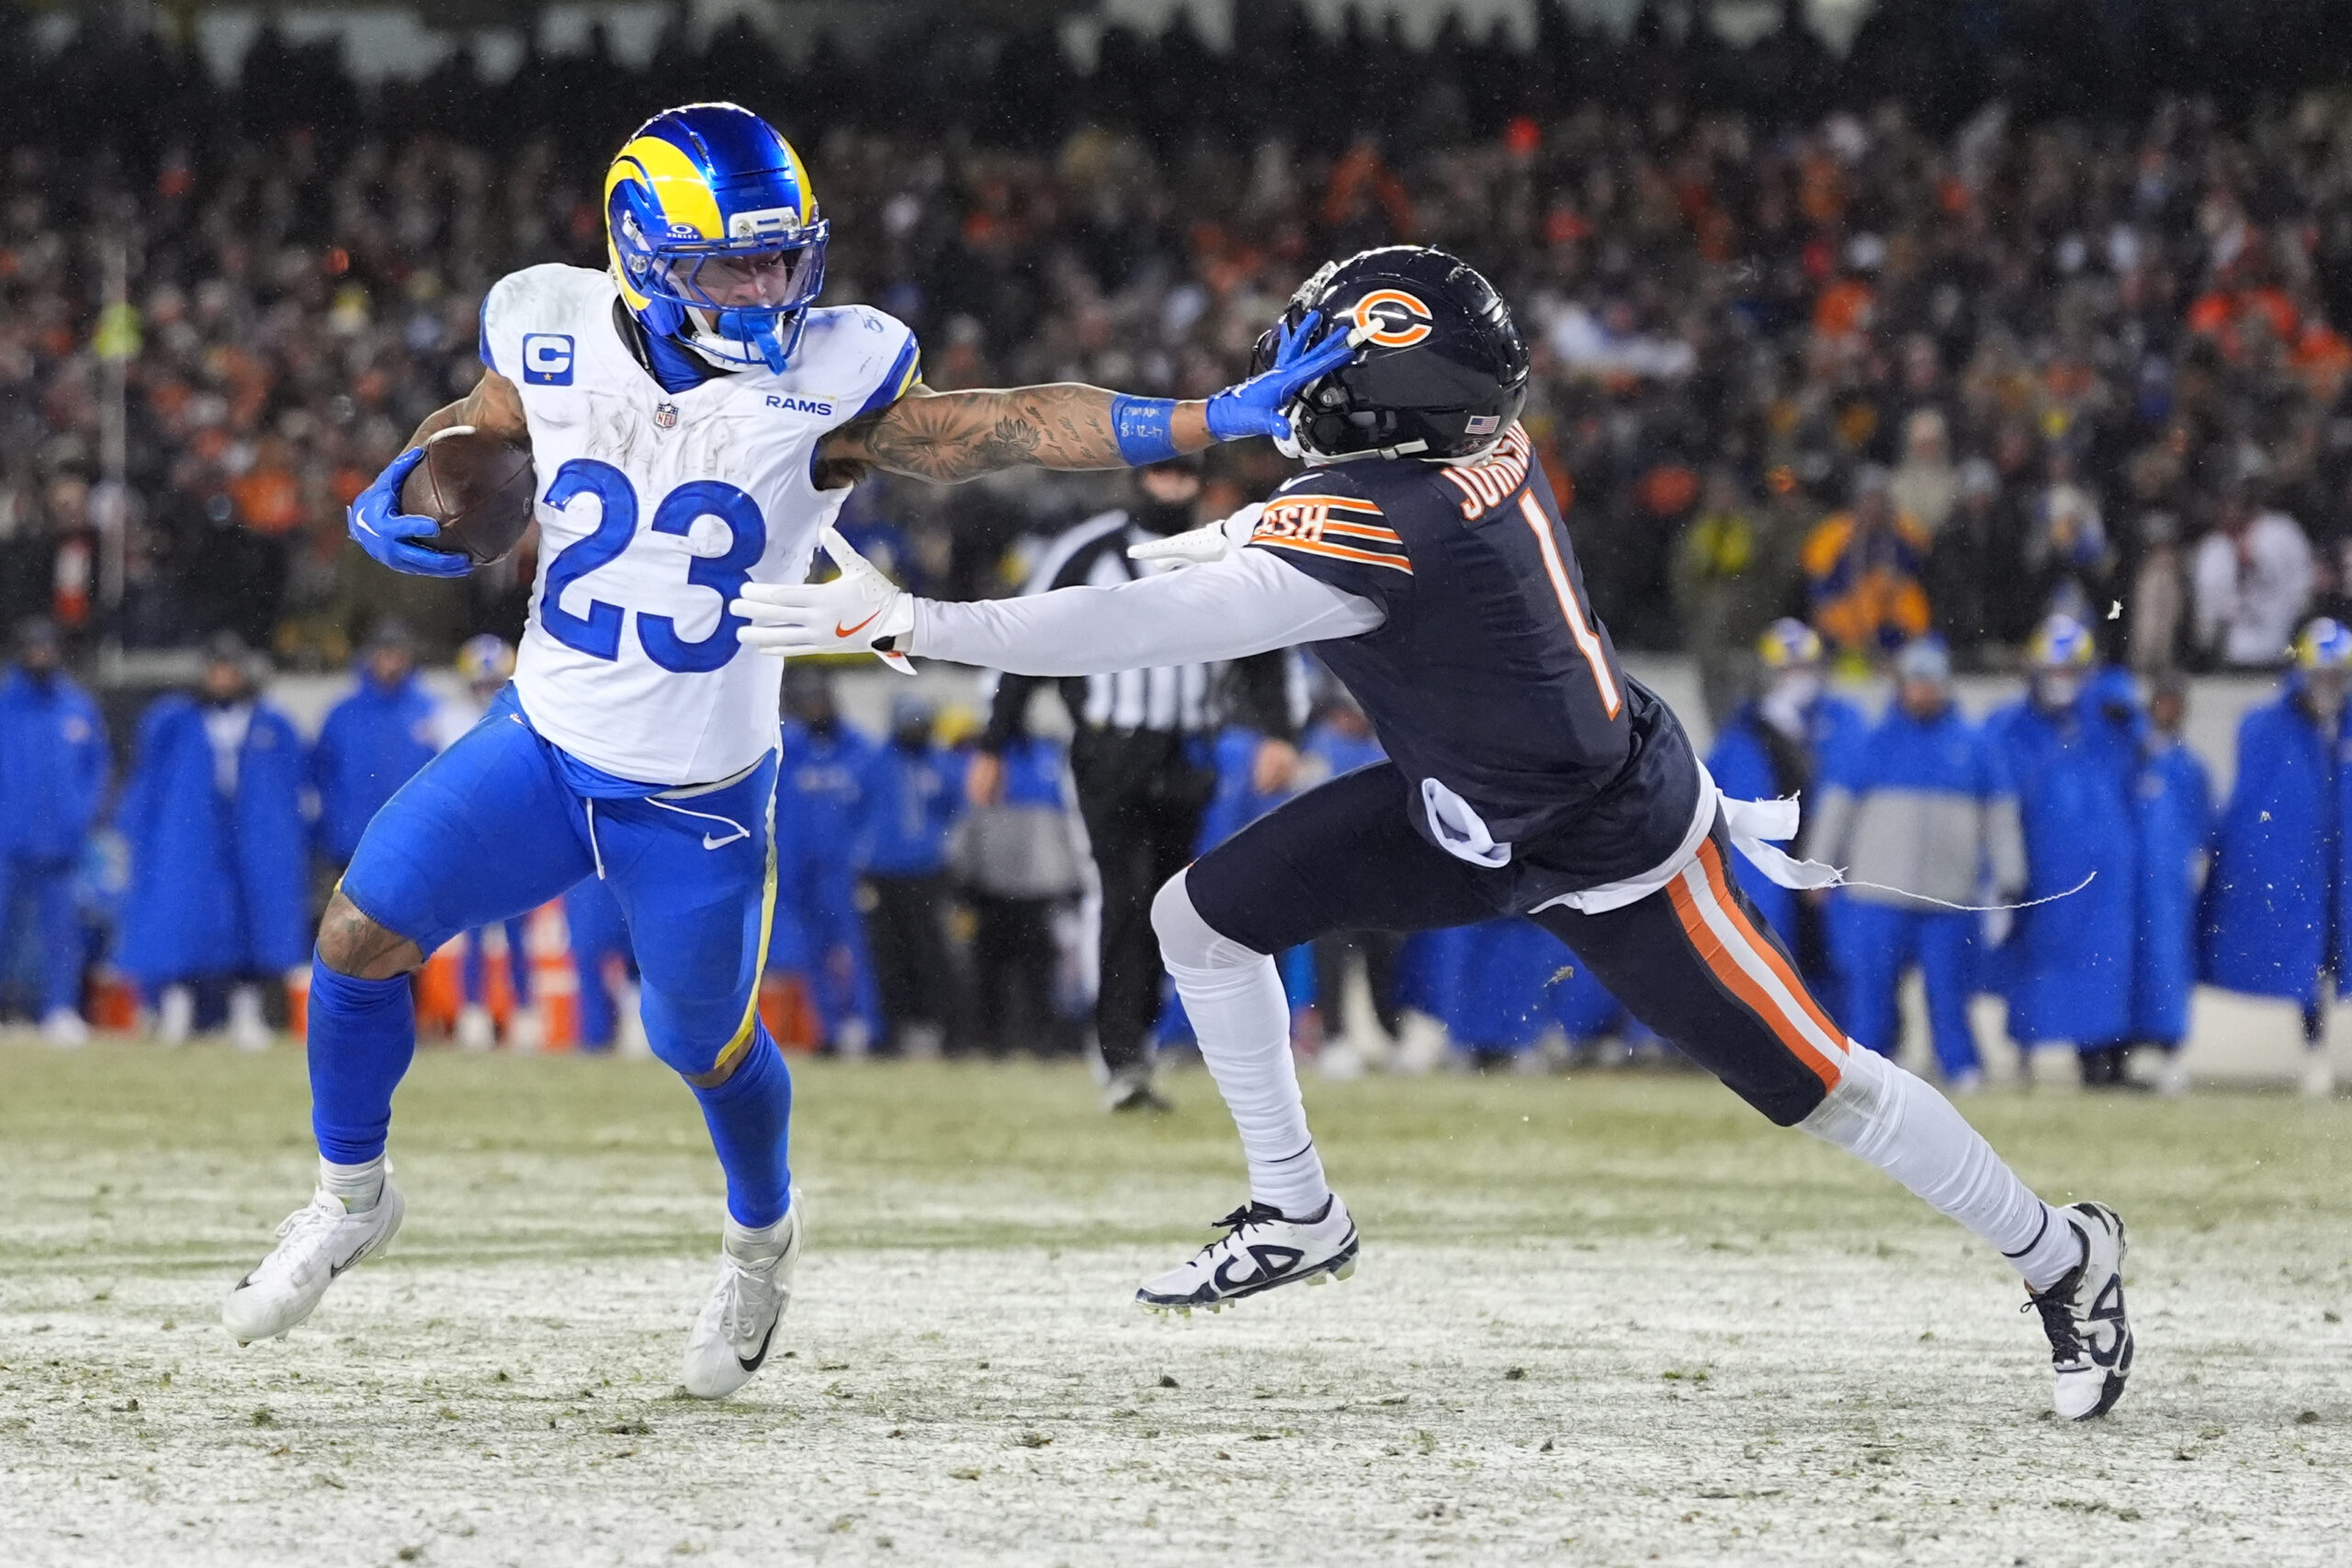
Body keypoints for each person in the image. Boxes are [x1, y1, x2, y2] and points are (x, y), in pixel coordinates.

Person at [735, 246, 2134, 1421]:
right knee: (1197, 919)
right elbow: (1296, 532)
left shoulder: (1387, 522)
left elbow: (1141, 625)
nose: (1298, 390)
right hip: (1467, 807)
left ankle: (2062, 1251)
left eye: (1320, 375)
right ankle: (1298, 1212)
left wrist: (922, 624)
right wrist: (1218, 539)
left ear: (1377, 410)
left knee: (1822, 1084)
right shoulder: (1472, 450)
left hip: (1606, 841)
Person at [220, 100, 1351, 1399]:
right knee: (358, 935)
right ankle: (351, 1192)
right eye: (730, 262)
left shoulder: (835, 374)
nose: (766, 286)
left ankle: (762, 1233)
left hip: (697, 794)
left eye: (781, 254)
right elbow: (477, 426)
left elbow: (1012, 426)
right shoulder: (545, 321)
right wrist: (410, 475)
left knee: (700, 1042)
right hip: (540, 742)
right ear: (639, 255)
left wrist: (1208, 418)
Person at [969, 457, 1301, 1112]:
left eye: (1184, 479)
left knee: (1172, 905)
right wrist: (994, 742)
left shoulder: (1220, 552)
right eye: (1161, 477)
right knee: (1120, 896)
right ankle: (1118, 1056)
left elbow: (1267, 645)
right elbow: (1030, 634)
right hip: (1108, 751)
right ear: (1138, 479)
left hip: (1188, 751)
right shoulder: (1088, 550)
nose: (1172, 489)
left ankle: (1141, 1046)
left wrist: (1281, 732)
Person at [1806, 637, 2023, 1091]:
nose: (1922, 692)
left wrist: (2009, 879)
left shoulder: (1975, 744)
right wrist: (1818, 867)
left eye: (1930, 683)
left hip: (1948, 894)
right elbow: (1837, 811)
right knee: (1871, 992)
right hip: (1877, 893)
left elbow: (2000, 818)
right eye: (1915, 683)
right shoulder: (1871, 741)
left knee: (1949, 992)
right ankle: (1867, 1071)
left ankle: (1961, 1066)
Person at [116, 634, 310, 1052]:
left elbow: (293, 786)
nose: (223, 678)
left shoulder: (271, 724)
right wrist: (136, 831)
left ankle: (246, 1009)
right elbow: (148, 783)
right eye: (216, 669)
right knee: (183, 917)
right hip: (193, 834)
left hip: (250, 835)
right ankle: (176, 1006)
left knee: (252, 917)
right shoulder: (173, 721)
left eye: (231, 669)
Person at [1982, 617, 2144, 1088]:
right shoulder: (2012, 726)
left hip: (2103, 877)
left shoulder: (2108, 721)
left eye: (2071, 670)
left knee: (2105, 969)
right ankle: (2027, 1056)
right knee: (2036, 965)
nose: (2061, 681)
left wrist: (2126, 713)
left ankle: (2100, 1060)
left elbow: (2141, 762)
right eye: (2053, 669)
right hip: (2042, 869)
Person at [2199, 617, 2352, 1098]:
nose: (2329, 685)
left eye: (2338, 675)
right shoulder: (2268, 725)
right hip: (2305, 867)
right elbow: (2255, 805)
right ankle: (2315, 1053)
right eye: (2321, 674)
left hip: (2343, 866)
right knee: (2308, 961)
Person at [1702, 619, 1866, 994]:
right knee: (1771, 960)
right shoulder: (1745, 730)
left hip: (1831, 865)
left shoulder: (1844, 721)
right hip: (1773, 869)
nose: (1795, 679)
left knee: (1836, 962)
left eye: (1802, 669)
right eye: (1785, 670)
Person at [0, 618, 107, 1044]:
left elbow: (96, 769)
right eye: (33, 648)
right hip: (8, 842)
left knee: (62, 932)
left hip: (61, 845)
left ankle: (60, 1008)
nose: (40, 656)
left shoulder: (78, 707)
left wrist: (80, 817)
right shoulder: (5, 706)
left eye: (46, 647)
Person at [435, 636, 538, 1052]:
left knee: (516, 934)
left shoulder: (529, 714)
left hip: (515, 838)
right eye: (480, 684)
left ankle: (526, 1012)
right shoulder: (449, 718)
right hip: (469, 839)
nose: (486, 692)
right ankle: (472, 1012)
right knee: (474, 931)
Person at [955, 734, 1086, 1057]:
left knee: (1037, 974)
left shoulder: (1044, 760)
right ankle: (993, 1041)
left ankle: (1037, 1040)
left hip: (1035, 889)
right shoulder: (989, 761)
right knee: (995, 973)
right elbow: (972, 821)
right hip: (996, 888)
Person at [775, 669, 882, 1055]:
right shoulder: (787, 751)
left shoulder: (861, 751)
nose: (816, 708)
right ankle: (829, 1031)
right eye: (809, 702)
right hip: (799, 872)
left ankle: (868, 1029)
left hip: (845, 872)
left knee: (855, 953)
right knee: (810, 954)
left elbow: (875, 811)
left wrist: (865, 858)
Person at [858, 692, 968, 1057]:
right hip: (883, 874)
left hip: (928, 873)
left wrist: (939, 845)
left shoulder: (940, 764)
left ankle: (945, 1031)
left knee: (933, 954)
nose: (915, 730)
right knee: (887, 957)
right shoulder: (875, 763)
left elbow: (955, 808)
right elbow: (854, 812)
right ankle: (892, 1031)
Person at [1301, 695, 1404, 1079]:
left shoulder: (1383, 746)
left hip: (1381, 876)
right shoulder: (1318, 747)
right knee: (1331, 949)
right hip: (1329, 877)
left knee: (1385, 949)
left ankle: (1390, 1031)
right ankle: (1333, 1035)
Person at [2132, 673, 2213, 1096]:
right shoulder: (2130, 757)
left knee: (2168, 969)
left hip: (2168, 890)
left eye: (2177, 702)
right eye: (2163, 701)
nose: (2170, 709)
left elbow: (2203, 830)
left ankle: (2169, 1055)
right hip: (2129, 887)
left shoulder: (2190, 768)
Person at [309, 621, 439, 874]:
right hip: (352, 846)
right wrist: (335, 826)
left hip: (415, 845)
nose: (391, 662)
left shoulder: (431, 711)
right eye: (384, 653)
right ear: (370, 657)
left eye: (398, 654)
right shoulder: (343, 714)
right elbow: (320, 774)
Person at [1802, 467, 1932, 656]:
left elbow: (1922, 568)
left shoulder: (1906, 529)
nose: (1874, 505)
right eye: (1868, 498)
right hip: (1848, 609)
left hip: (1891, 611)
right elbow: (1818, 579)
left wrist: (1890, 581)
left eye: (1878, 499)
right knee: (1831, 614)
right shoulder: (1833, 532)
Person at [2192, 485, 2313, 668]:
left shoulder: (2281, 532)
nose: (2231, 513)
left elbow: (2303, 580)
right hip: (2235, 647)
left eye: (2236, 506)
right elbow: (2208, 604)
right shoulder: (2213, 548)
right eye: (2225, 508)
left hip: (2281, 638)